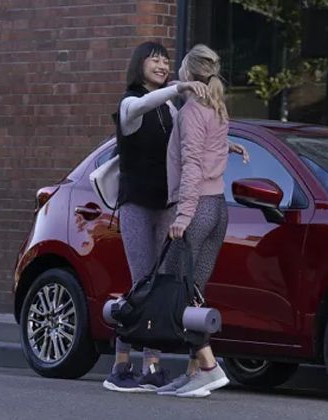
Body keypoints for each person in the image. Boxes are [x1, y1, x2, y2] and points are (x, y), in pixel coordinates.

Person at [103, 41, 210, 393]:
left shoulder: (170, 109)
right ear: (140, 65)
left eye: (166, 60)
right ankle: (120, 365)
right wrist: (177, 88)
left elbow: (188, 140)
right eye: (155, 60)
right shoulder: (131, 102)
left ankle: (152, 366)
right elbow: (143, 104)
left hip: (166, 204)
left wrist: (226, 146)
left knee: (159, 283)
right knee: (141, 283)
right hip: (136, 204)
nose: (163, 64)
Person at [153, 44, 249, 398]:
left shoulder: (192, 110)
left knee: (180, 292)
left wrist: (183, 214)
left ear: (189, 73)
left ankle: (208, 366)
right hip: (217, 208)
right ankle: (194, 374)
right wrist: (231, 149)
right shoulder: (216, 107)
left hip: (198, 210)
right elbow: (211, 149)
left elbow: (193, 162)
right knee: (194, 292)